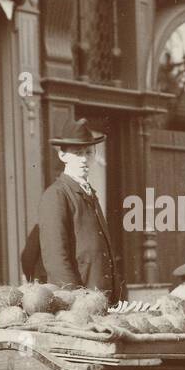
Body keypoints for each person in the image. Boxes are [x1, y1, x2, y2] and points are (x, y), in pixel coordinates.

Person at [35, 117, 122, 304]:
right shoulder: (57, 195)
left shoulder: (89, 192)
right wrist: (75, 300)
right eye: (77, 153)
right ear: (63, 155)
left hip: (102, 297)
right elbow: (56, 258)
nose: (84, 159)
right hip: (81, 304)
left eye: (88, 152)